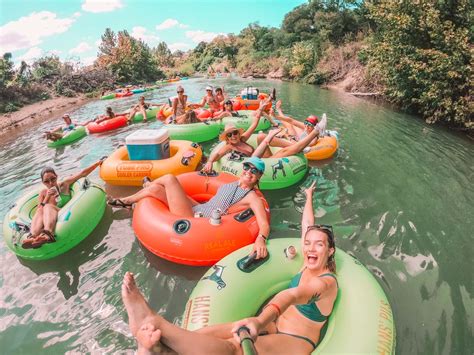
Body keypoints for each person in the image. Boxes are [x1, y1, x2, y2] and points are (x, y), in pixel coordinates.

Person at [120, 181, 338, 354]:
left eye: (319, 245)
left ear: (330, 251)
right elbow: (307, 225)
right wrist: (308, 196)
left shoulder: (325, 282)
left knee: (235, 347)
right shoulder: (308, 262)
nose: (310, 248)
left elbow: (292, 295)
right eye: (308, 243)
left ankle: (155, 322)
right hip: (274, 325)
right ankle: (156, 350)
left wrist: (259, 320)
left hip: (296, 340)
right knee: (206, 333)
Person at [108, 157, 269, 257]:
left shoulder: (251, 197)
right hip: (200, 207)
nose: (249, 171)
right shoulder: (233, 182)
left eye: (254, 170)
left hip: (196, 220)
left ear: (259, 176)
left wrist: (261, 240)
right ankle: (131, 199)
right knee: (156, 190)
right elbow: (214, 201)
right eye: (247, 167)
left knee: (170, 179)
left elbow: (263, 224)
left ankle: (130, 198)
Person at [21, 160, 105, 249]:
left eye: (52, 179)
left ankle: (48, 234)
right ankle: (33, 238)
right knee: (43, 208)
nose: (50, 183)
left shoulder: (65, 184)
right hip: (47, 218)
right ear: (43, 183)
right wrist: (47, 197)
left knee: (48, 207)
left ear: (56, 176)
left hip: (64, 213)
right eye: (46, 181)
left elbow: (82, 173)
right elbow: (39, 210)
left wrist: (98, 163)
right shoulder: (43, 193)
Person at [202, 97, 272, 173]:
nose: (233, 136)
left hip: (263, 160)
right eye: (229, 135)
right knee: (286, 151)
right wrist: (210, 161)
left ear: (238, 134)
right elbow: (218, 154)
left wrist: (260, 109)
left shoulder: (243, 139)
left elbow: (254, 124)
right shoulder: (229, 146)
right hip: (257, 167)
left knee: (266, 138)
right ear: (227, 138)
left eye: (235, 133)